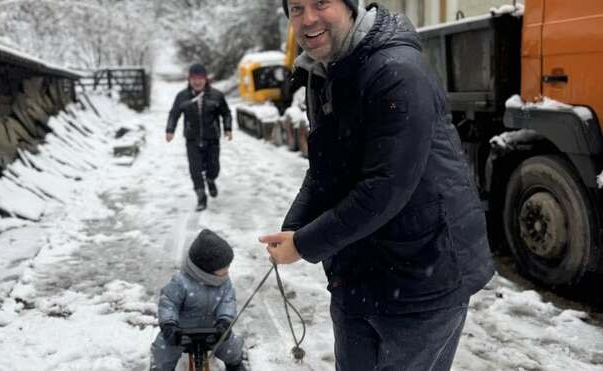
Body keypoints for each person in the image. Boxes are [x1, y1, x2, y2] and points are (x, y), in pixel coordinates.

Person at [259, 1, 494, 370]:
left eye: (321, 3)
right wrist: (294, 226)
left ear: (350, 6)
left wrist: (304, 244)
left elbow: (385, 188)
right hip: (357, 273)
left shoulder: (397, 71)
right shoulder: (322, 72)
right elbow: (325, 170)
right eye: (297, 8)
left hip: (424, 277)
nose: (308, 19)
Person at [150, 229, 246, 371]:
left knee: (231, 346)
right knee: (163, 350)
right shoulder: (181, 282)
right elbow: (168, 303)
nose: (227, 270)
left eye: (228, 266)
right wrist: (169, 326)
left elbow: (228, 301)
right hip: (182, 332)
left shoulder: (224, 282)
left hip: (213, 330)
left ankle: (235, 364)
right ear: (205, 270)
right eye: (223, 267)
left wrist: (224, 321)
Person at [166, 63, 233, 212]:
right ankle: (201, 197)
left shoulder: (216, 95)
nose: (197, 82)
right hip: (192, 139)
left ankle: (210, 180)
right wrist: (170, 130)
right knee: (195, 170)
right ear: (189, 80)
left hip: (212, 139)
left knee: (213, 167)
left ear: (205, 79)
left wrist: (228, 129)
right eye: (193, 78)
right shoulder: (182, 96)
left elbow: (226, 113)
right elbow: (174, 113)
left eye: (200, 78)